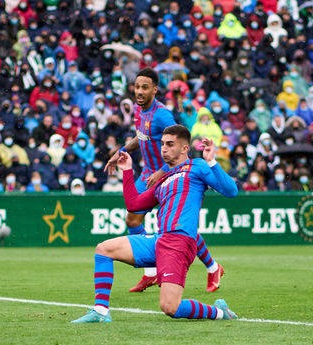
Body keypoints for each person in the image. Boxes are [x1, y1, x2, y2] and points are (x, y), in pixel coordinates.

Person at [71, 126, 238, 323]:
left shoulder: (198, 166)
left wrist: (212, 162)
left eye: (170, 144)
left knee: (170, 307)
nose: (164, 149)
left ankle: (220, 312)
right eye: (162, 144)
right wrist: (127, 171)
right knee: (104, 249)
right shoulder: (162, 180)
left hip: (179, 242)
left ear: (185, 148)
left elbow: (231, 190)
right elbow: (134, 205)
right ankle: (100, 312)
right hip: (160, 239)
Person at [104, 68, 224, 293]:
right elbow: (139, 137)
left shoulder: (162, 114)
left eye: (145, 87)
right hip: (147, 175)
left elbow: (179, 142)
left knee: (179, 226)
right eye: (137, 87)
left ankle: (212, 267)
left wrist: (163, 170)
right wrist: (119, 151)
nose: (139, 91)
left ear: (155, 89)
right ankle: (150, 272)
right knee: (132, 218)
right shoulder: (139, 112)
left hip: (167, 174)